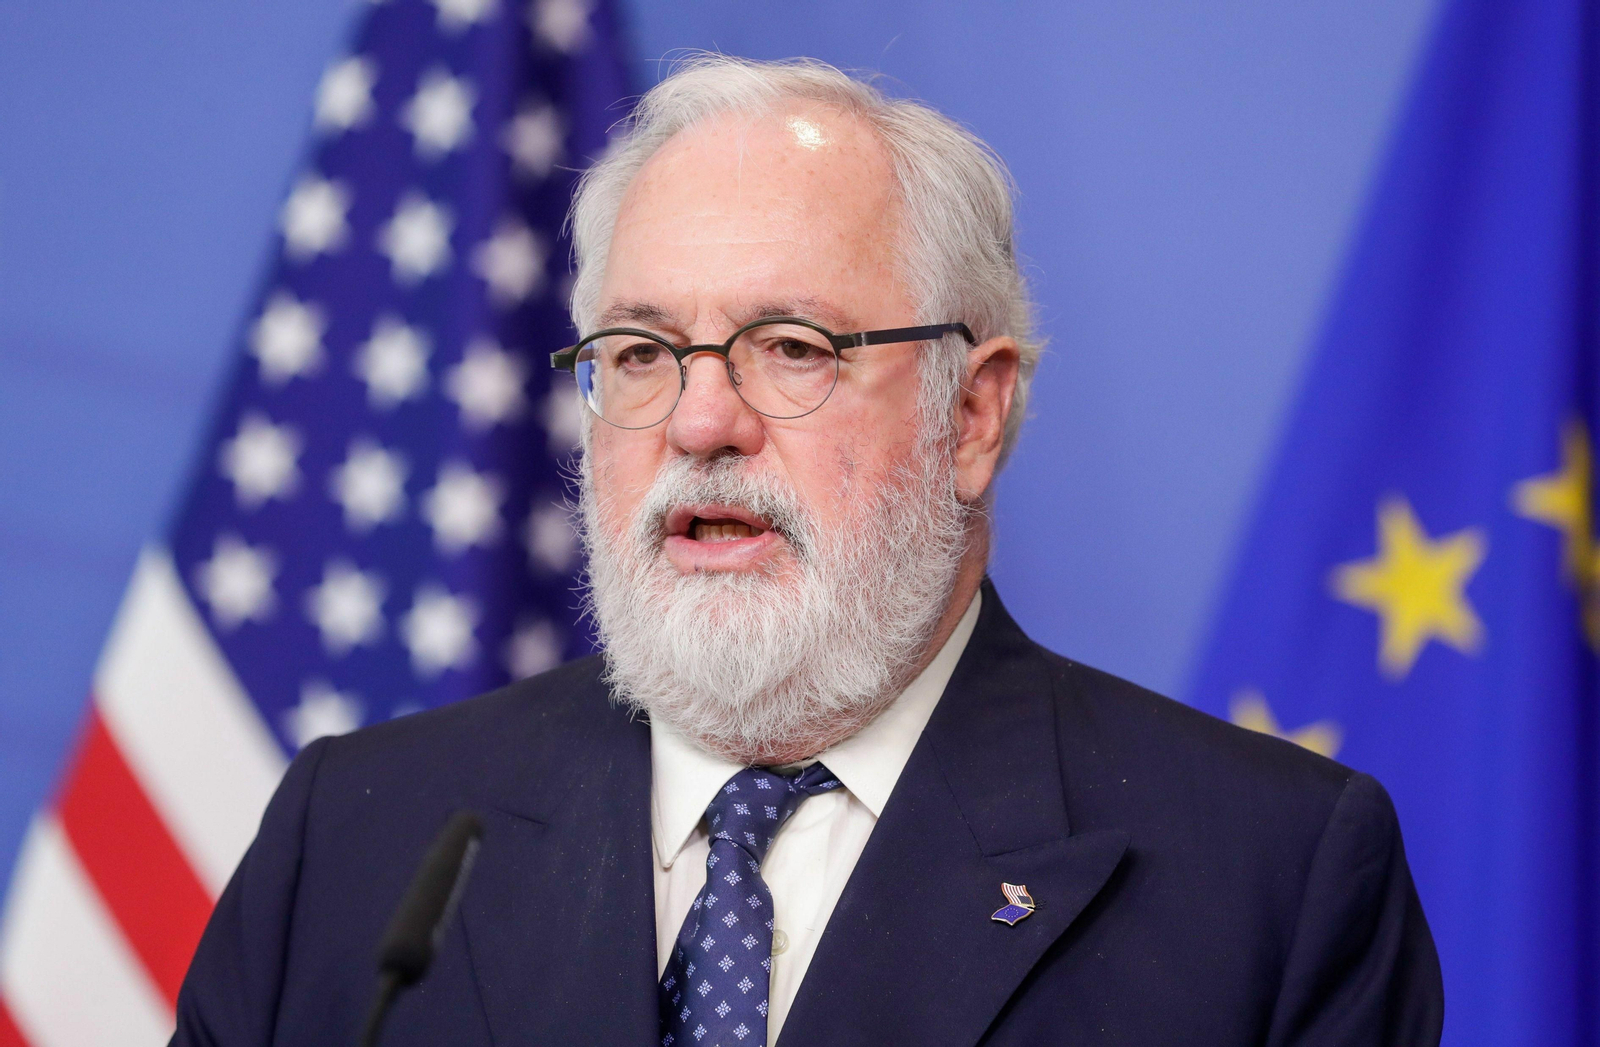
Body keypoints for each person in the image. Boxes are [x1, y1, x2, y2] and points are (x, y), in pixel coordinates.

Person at [172, 55, 1443, 1047]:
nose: (700, 421)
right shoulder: (356, 839)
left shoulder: (1265, 882)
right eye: (639, 353)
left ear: (972, 413)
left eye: (792, 347)